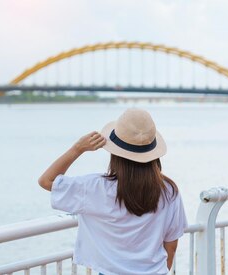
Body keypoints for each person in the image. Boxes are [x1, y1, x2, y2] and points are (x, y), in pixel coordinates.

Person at [38, 108, 187, 275]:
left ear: (115, 152)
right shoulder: (168, 191)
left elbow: (46, 181)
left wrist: (78, 148)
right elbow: (171, 245)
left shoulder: (95, 188)